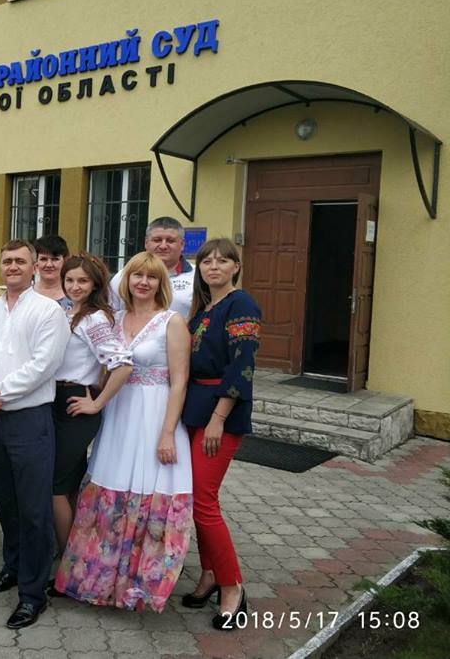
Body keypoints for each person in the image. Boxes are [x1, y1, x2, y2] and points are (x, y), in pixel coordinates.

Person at [55, 251, 193, 612]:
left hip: (155, 414)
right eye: (137, 276)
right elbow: (103, 365)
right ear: (126, 280)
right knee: (110, 484)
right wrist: (94, 398)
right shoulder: (113, 318)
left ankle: (141, 584)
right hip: (119, 415)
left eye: (151, 277)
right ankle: (98, 579)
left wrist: (168, 432)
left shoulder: (172, 322)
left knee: (150, 486)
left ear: (161, 283)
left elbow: (180, 382)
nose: (143, 282)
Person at [0, 240, 69, 630]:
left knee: (34, 509)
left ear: (34, 266)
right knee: (5, 501)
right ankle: (13, 566)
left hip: (28, 420)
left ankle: (33, 594)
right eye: (7, 261)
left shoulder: (49, 311)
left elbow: (44, 365)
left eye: (21, 260)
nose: (13, 266)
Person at [179, 238, 261, 630]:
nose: (213, 266)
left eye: (222, 260)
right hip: (195, 407)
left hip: (221, 411)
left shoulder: (241, 304)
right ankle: (209, 573)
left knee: (204, 500)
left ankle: (232, 587)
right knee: (197, 498)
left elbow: (242, 366)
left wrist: (218, 418)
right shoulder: (203, 309)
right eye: (206, 261)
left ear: (235, 267)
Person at [49, 253, 134, 557]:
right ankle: (76, 552)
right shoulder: (66, 312)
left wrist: (97, 403)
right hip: (55, 402)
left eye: (82, 281)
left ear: (95, 284)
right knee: (70, 483)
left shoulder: (93, 318)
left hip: (75, 403)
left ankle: (66, 559)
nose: (74, 286)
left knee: (55, 487)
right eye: (69, 280)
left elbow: (122, 364)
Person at [110, 217, 195, 317]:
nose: (163, 246)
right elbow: (110, 314)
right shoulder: (123, 276)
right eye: (157, 240)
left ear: (182, 244)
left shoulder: (197, 276)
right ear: (146, 243)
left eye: (170, 241)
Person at [33, 234, 72, 310]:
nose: (49, 265)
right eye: (43, 259)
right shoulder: (25, 295)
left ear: (65, 261)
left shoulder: (75, 296)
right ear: (36, 262)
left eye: (55, 259)